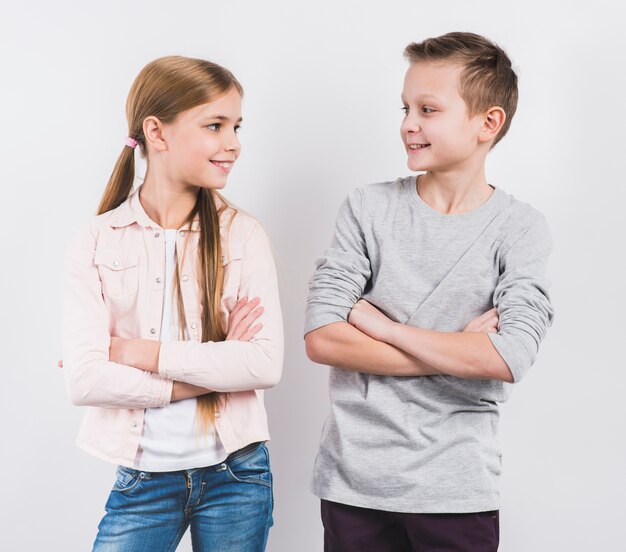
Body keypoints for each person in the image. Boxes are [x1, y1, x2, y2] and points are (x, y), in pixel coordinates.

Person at [304, 32, 554, 551]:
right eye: (405, 107)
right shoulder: (366, 208)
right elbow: (323, 338)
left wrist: (383, 326)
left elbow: (510, 356)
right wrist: (457, 349)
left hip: (457, 491)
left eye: (428, 109)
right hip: (354, 485)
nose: (408, 124)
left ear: (488, 123)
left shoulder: (520, 228)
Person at [62, 55, 283, 551]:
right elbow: (85, 380)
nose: (234, 143)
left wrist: (139, 352)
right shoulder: (96, 240)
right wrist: (211, 368)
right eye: (215, 125)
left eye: (236, 126)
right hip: (144, 481)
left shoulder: (243, 236)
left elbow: (264, 364)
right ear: (157, 133)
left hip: (238, 476)